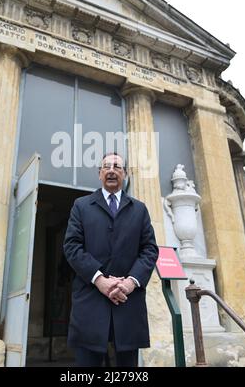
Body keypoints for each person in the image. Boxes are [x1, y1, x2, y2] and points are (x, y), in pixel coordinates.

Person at [63, 152, 158, 367]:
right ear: (99, 174)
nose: (112, 170)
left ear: (125, 173)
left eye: (117, 166)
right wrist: (100, 280)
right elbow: (72, 246)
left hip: (128, 301)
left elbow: (149, 250)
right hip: (90, 299)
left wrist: (130, 282)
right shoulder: (81, 205)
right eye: (107, 166)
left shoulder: (140, 209)